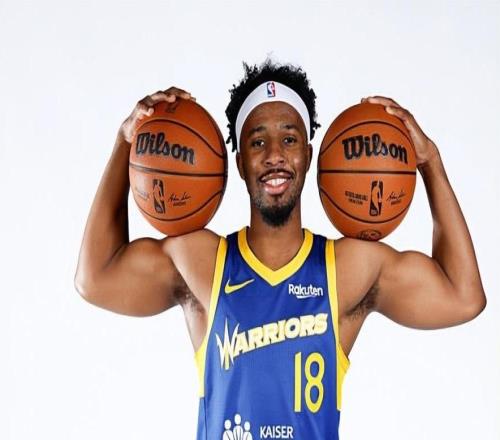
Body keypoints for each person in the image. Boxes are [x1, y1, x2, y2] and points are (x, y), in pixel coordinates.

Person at [75, 60, 486, 439]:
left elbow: (463, 296)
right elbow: (94, 279)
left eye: (289, 139)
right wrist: (124, 143)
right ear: (239, 162)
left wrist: (430, 162)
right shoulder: (203, 263)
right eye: (258, 142)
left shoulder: (346, 268)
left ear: (308, 154)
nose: (274, 156)